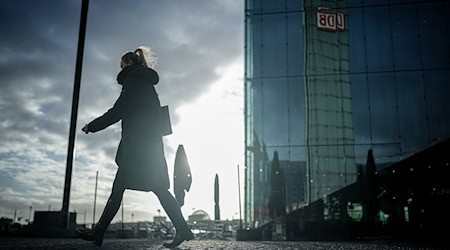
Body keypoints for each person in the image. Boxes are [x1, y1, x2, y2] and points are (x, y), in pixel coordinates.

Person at [77, 46, 194, 248]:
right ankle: (183, 229)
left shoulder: (133, 81)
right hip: (150, 146)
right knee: (158, 188)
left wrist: (92, 126)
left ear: (128, 63)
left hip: (138, 148)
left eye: (121, 64)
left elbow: (117, 111)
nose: (119, 68)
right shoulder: (146, 82)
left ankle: (98, 233)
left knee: (120, 188)